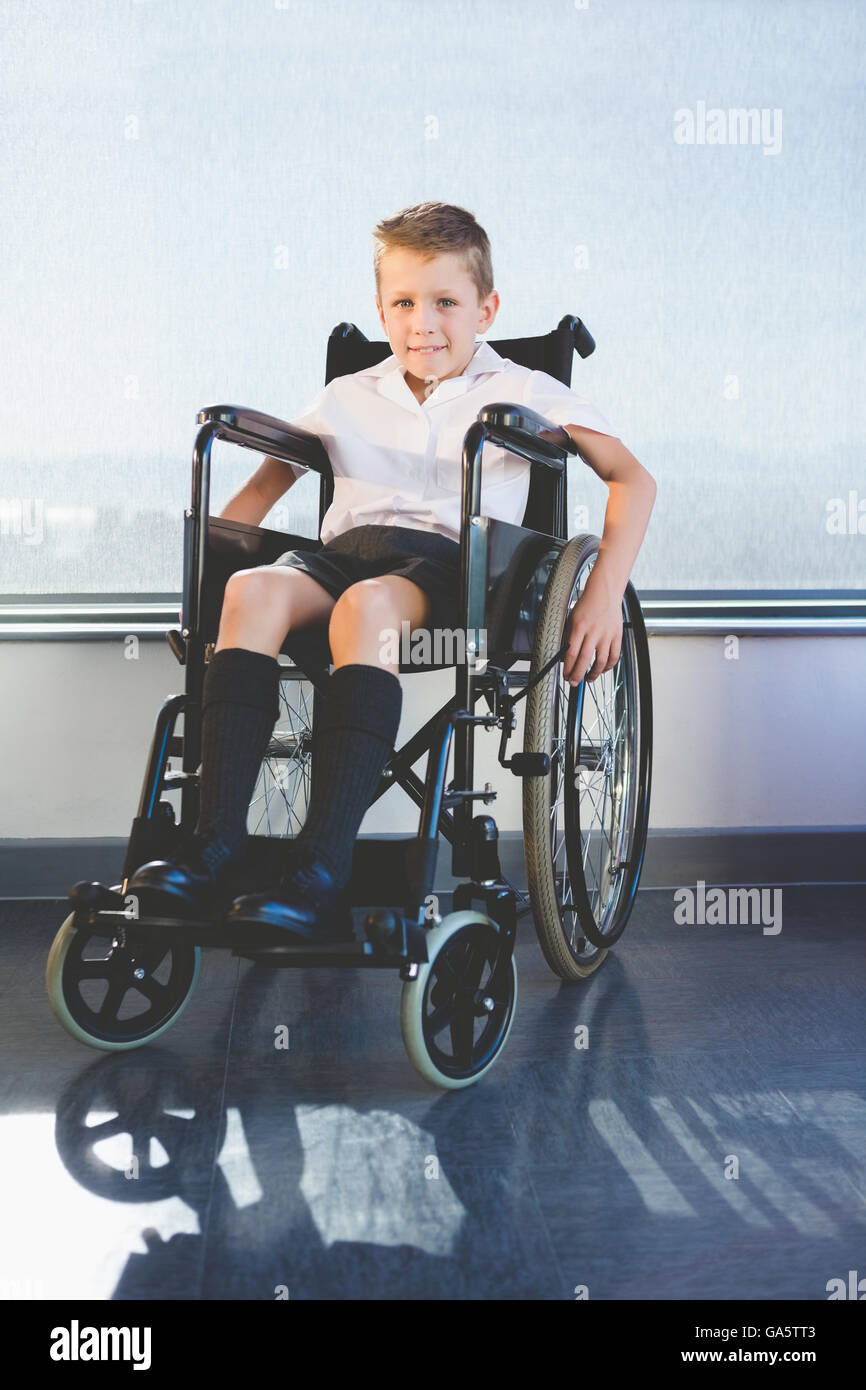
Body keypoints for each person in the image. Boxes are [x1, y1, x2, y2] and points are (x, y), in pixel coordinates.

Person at [128, 201, 657, 942]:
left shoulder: (525, 387)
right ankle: (211, 847)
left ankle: (318, 870)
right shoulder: (347, 395)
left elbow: (634, 480)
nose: (423, 323)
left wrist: (601, 598)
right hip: (340, 556)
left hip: (446, 570)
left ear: (486, 308)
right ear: (381, 308)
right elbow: (255, 500)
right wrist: (206, 606)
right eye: (404, 303)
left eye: (446, 302)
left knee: (367, 608)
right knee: (251, 590)